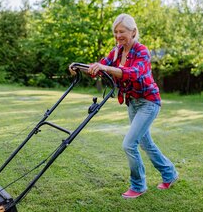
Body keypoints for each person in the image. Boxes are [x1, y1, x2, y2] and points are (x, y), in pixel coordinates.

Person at [70, 13, 178, 199]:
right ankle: (170, 174)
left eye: (122, 31)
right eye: (115, 32)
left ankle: (138, 185)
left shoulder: (142, 51)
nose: (118, 35)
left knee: (129, 144)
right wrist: (78, 67)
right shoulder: (117, 51)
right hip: (132, 103)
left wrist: (105, 68)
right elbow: (99, 67)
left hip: (149, 102)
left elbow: (132, 73)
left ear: (133, 31)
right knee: (146, 143)